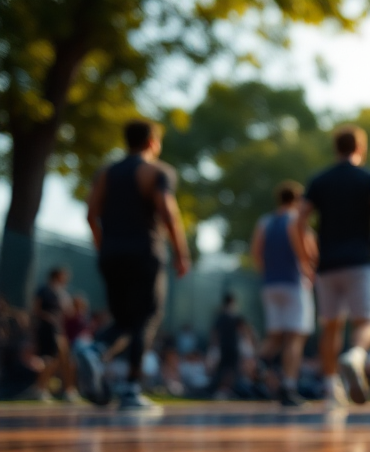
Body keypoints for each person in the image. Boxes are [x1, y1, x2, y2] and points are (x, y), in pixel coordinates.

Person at [83, 119, 190, 411]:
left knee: (123, 321)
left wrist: (103, 247)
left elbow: (91, 214)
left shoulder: (106, 173)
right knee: (147, 318)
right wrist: (181, 254)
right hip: (145, 253)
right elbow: (168, 214)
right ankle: (131, 388)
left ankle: (95, 350)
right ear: (152, 142)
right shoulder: (157, 171)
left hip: (111, 254)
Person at [295, 125, 370, 409]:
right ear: (360, 148)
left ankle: (331, 388)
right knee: (367, 322)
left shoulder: (319, 180)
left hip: (327, 266)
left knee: (330, 326)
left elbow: (299, 222)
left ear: (336, 148)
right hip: (360, 263)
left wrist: (305, 260)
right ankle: (356, 355)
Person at [251, 181, 314, 407]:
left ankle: (257, 363)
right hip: (294, 283)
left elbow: (256, 252)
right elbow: (308, 251)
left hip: (271, 284)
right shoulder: (297, 220)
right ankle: (288, 386)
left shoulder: (265, 222)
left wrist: (266, 272)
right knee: (295, 337)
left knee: (275, 336)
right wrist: (309, 269)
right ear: (297, 200)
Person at [30, 266, 74, 402]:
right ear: (57, 276)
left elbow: (69, 312)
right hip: (47, 330)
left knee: (63, 360)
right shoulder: (44, 290)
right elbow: (36, 310)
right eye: (63, 276)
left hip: (58, 330)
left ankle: (67, 390)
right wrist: (48, 317)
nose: (66, 279)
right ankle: (40, 389)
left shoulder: (62, 293)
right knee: (50, 359)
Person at [209, 293, 252, 399]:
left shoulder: (221, 316)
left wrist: (214, 346)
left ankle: (221, 389)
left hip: (224, 347)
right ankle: (226, 389)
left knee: (223, 369)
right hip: (232, 347)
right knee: (231, 370)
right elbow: (244, 330)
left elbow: (215, 333)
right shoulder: (234, 316)